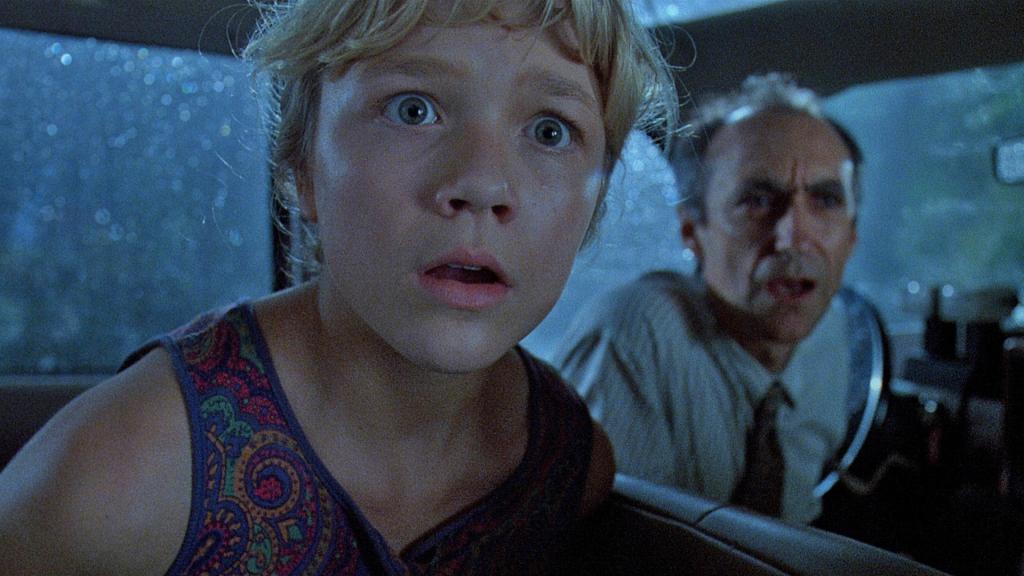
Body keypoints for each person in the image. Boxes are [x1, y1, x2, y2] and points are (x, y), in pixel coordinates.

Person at [0, 0, 677, 573]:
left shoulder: (568, 466)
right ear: (301, 166)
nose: (481, 183)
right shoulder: (112, 478)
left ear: (594, 200)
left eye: (550, 131)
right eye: (413, 110)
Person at [556, 73, 861, 524]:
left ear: (852, 237)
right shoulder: (636, 335)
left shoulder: (831, 333)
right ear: (692, 232)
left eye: (826, 200)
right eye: (757, 200)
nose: (794, 238)